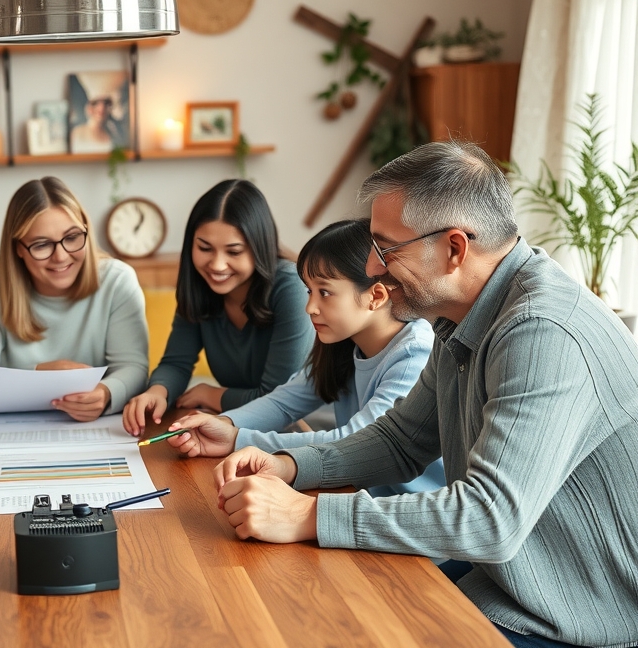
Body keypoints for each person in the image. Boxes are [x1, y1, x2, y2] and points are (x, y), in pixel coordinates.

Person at [213, 141, 638, 647]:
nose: (372, 266)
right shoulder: (463, 314)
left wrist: (306, 514)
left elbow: (488, 518)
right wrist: (289, 465)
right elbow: (401, 441)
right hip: (507, 577)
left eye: (386, 249)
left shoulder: (542, 332)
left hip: (574, 612)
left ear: (455, 248)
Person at [164, 218, 443, 496]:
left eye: (325, 292)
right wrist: (226, 424)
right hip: (356, 493)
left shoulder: (413, 353)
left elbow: (356, 442)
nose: (310, 307)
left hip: (403, 509)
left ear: (376, 296)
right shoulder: (343, 341)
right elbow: (284, 402)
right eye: (309, 291)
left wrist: (239, 439)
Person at [0, 176, 148, 421]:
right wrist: (41, 373)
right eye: (42, 245)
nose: (61, 256)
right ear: (18, 248)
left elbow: (134, 368)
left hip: (91, 430)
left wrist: (107, 393)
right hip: (10, 433)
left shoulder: (117, 280)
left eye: (72, 237)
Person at [123, 179, 312, 435]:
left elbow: (276, 400)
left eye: (233, 252)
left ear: (259, 247)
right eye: (205, 248)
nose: (217, 265)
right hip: (243, 426)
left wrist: (212, 395)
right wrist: (157, 392)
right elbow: (176, 363)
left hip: (303, 429)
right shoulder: (200, 287)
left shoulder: (290, 288)